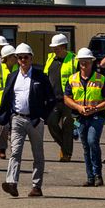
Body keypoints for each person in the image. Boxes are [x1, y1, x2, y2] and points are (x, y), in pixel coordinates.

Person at [0, 42, 55, 199]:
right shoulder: (12, 77)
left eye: (26, 57)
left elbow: (50, 99)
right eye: (20, 58)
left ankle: (36, 186)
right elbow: (7, 97)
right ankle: (12, 183)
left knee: (38, 154)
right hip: (17, 119)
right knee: (15, 151)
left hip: (35, 120)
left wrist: (43, 117)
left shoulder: (40, 77)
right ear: (17, 59)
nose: (23, 60)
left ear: (31, 58)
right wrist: (6, 116)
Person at [64, 50, 105, 187]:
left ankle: (97, 175)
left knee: (92, 141)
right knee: (85, 146)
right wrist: (78, 108)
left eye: (87, 61)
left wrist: (95, 108)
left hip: (96, 116)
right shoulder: (72, 79)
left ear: (92, 62)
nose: (84, 63)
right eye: (81, 61)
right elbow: (66, 98)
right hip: (79, 117)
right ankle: (90, 177)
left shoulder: (100, 79)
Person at [40, 34, 76, 162]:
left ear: (63, 47)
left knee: (67, 125)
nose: (54, 50)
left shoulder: (73, 60)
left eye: (57, 48)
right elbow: (45, 77)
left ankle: (66, 153)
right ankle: (65, 146)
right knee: (51, 123)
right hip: (53, 99)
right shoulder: (50, 59)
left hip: (69, 99)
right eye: (53, 48)